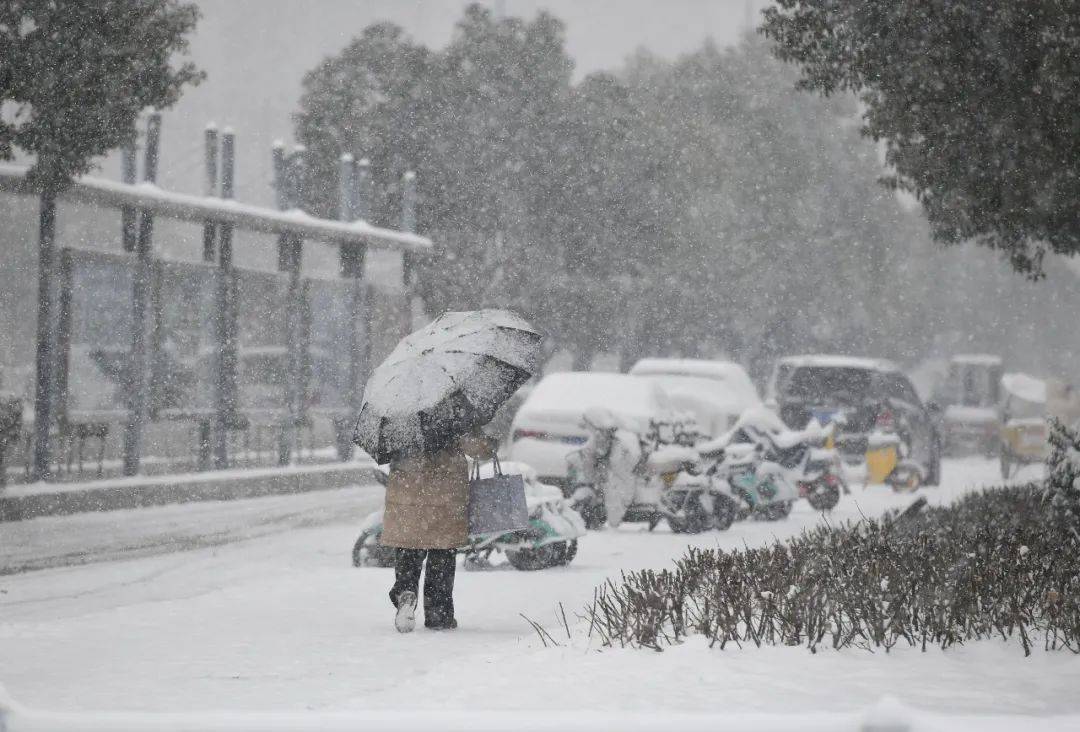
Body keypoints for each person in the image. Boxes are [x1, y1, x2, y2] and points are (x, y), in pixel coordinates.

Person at [381, 428, 496, 632]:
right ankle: (438, 615)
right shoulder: (453, 411)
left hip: (408, 500)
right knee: (441, 558)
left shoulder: (401, 413)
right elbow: (477, 448)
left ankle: (406, 593)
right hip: (445, 501)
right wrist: (489, 444)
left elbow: (386, 448)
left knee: (409, 553)